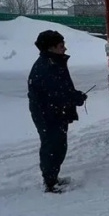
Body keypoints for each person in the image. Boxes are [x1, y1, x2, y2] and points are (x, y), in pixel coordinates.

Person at [28, 30, 88, 194]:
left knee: (58, 146)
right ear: (51, 47)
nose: (65, 49)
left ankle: (52, 178)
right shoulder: (47, 67)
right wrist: (76, 98)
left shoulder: (53, 62)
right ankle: (50, 183)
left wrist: (75, 96)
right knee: (53, 146)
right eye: (61, 46)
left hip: (53, 112)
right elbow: (57, 94)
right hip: (48, 114)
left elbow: (63, 89)